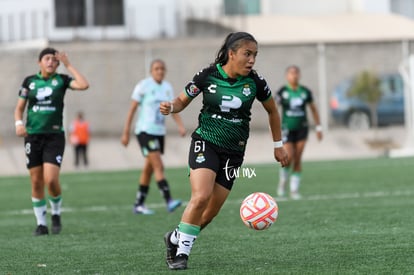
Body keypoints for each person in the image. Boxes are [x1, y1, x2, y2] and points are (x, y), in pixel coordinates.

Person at [160, 32, 289, 270]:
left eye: (255, 55)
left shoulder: (256, 82)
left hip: (234, 153)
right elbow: (181, 100)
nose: (252, 60)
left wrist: (278, 145)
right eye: (247, 54)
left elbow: (273, 111)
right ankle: (182, 255)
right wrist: (171, 106)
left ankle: (175, 237)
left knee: (209, 213)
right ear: (232, 54)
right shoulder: (207, 75)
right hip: (206, 142)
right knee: (201, 197)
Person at [14, 47, 89, 236]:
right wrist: (18, 124)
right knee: (36, 181)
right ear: (39, 62)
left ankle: (55, 213)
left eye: (54, 60)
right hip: (33, 136)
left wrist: (68, 64)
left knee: (51, 180)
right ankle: (41, 224)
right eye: (47, 59)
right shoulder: (29, 82)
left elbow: (84, 85)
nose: (51, 62)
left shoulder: (62, 81)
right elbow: (19, 108)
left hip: (54, 136)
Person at [121, 59, 186, 215]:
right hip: (145, 131)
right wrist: (126, 132)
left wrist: (180, 125)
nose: (160, 71)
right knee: (158, 165)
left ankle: (139, 204)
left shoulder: (167, 88)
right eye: (156, 68)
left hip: (159, 132)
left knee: (148, 169)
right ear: (151, 71)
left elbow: (171, 108)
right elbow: (132, 110)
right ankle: (169, 200)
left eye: (162, 68)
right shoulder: (143, 86)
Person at [275, 65, 323, 199]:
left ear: (299, 75)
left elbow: (313, 109)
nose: (294, 76)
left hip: (302, 128)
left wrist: (318, 127)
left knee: (298, 158)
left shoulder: (305, 92)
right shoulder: (282, 92)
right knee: (288, 156)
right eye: (291, 73)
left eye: (296, 73)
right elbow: (273, 110)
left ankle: (294, 190)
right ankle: (283, 182)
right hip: (287, 129)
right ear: (287, 76)